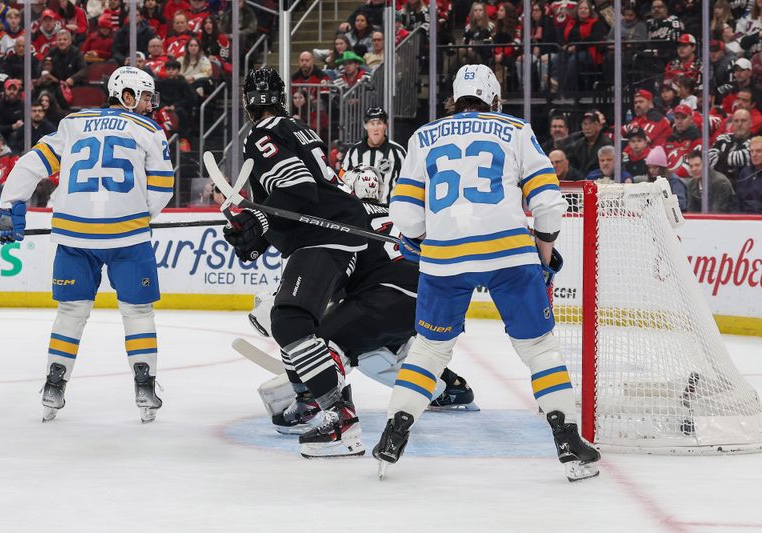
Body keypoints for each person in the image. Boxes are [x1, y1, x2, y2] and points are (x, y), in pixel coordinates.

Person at [373, 64, 600, 481]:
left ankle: (393, 433)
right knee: (538, 349)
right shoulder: (515, 129)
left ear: (454, 99)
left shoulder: (422, 137)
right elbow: (549, 202)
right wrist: (544, 253)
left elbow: (405, 215)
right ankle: (567, 439)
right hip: (509, 255)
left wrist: (424, 239)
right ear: (495, 99)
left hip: (444, 261)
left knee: (428, 350)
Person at [0, 66, 174, 423]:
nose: (151, 105)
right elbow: (162, 188)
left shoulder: (72, 123)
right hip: (128, 235)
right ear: (127, 95)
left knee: (71, 312)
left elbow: (32, 164)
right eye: (147, 96)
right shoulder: (150, 129)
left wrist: (9, 206)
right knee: (138, 312)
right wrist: (138, 216)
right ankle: (144, 385)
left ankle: (54, 385)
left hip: (74, 232)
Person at [251, 165, 478, 435]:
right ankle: (451, 387)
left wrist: (284, 305)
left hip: (385, 298)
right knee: (380, 348)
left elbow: (331, 280)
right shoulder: (400, 214)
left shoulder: (344, 217)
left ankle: (313, 406)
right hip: (432, 299)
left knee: (317, 342)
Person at [223, 67, 370, 458]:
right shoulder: (297, 127)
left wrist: (258, 218)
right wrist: (256, 235)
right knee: (295, 321)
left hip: (327, 236)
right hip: (341, 235)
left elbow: (298, 188)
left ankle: (339, 419)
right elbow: (295, 201)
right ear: (282, 96)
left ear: (247, 101)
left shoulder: (263, 132)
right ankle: (309, 398)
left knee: (287, 320)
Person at [341, 107, 406, 204]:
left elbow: (408, 183)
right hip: (361, 212)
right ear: (365, 125)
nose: (375, 128)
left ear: (385, 126)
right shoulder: (353, 152)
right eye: (372, 123)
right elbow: (343, 180)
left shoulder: (398, 152)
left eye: (379, 123)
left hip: (389, 213)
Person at [709, 109, 752, 183]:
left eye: (743, 121)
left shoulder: (755, 142)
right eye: (736, 121)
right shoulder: (722, 138)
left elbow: (747, 158)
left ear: (750, 123)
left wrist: (721, 156)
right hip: (719, 185)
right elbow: (710, 159)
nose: (739, 124)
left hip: (744, 186)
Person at [567, 109, 610, 174]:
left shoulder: (606, 144)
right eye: (585, 124)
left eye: (591, 123)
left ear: (599, 126)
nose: (587, 127)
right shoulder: (578, 145)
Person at [665, 104, 702, 177]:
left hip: (688, 178)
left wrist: (672, 176)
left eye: (683, 118)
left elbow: (694, 165)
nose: (679, 121)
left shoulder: (697, 138)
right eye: (677, 118)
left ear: (691, 119)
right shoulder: (670, 138)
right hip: (668, 178)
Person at [646, 145, 687, 211]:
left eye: (655, 167)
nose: (651, 170)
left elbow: (681, 204)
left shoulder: (674, 181)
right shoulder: (651, 182)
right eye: (649, 167)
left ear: (662, 168)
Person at [734, 136, 762, 213]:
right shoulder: (745, 172)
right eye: (752, 151)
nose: (754, 154)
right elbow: (737, 201)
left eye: (758, 151)